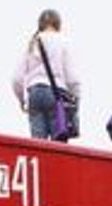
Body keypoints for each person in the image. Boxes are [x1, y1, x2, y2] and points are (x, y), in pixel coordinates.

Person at [10, 9, 80, 141]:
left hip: (34, 94)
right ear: (58, 23)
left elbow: (16, 78)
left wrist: (21, 99)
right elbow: (73, 79)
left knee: (38, 145)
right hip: (57, 95)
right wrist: (76, 99)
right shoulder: (63, 42)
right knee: (58, 147)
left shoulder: (32, 43)